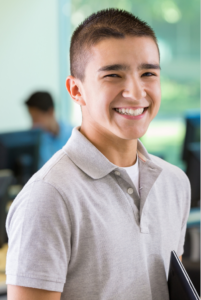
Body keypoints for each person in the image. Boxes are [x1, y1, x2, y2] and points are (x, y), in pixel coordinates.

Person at [6, 9, 190, 300]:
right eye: (113, 75)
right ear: (76, 90)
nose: (135, 91)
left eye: (148, 73)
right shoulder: (48, 197)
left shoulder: (175, 182)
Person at [25, 91, 73, 168]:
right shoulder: (37, 141)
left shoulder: (74, 134)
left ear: (50, 112)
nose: (33, 124)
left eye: (36, 118)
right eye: (32, 118)